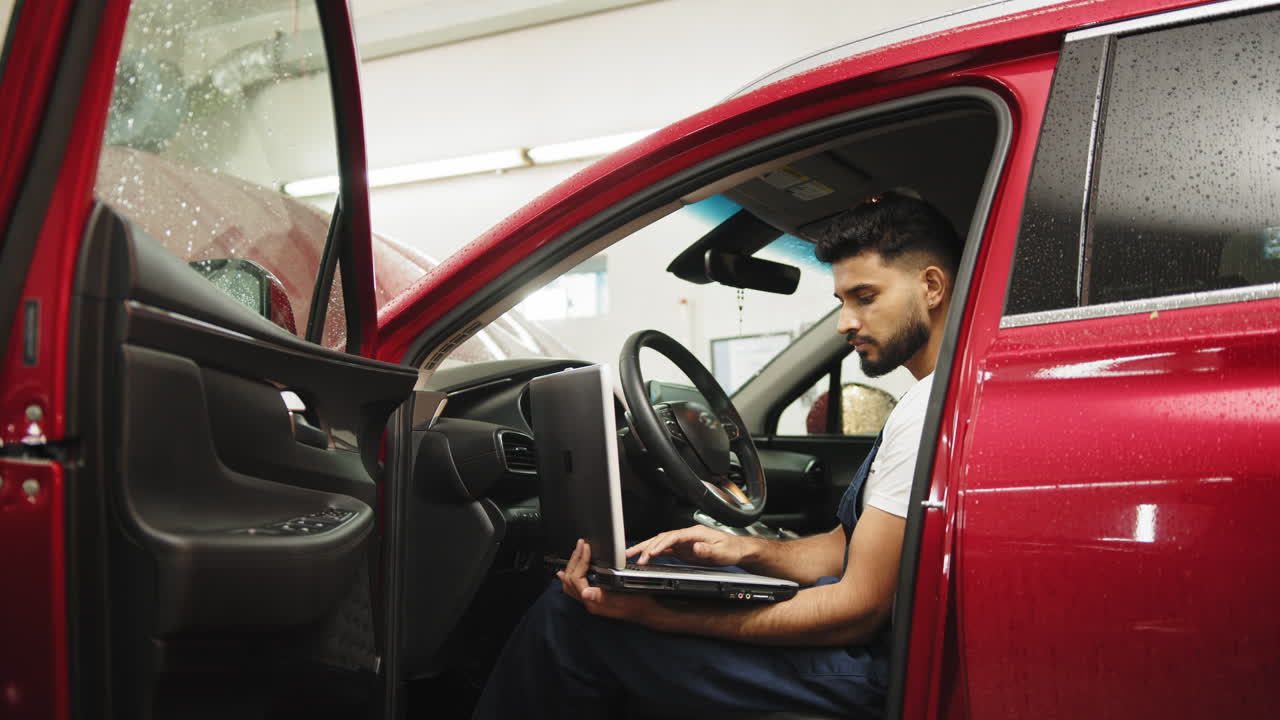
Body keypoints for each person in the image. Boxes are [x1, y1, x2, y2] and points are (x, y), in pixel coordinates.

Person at [473, 192, 962, 719]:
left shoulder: (928, 409)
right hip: (870, 649)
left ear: (931, 286)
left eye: (864, 296)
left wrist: (661, 616)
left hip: (869, 672)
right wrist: (740, 552)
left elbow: (854, 612)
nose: (845, 322)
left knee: (574, 620)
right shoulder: (930, 399)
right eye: (842, 301)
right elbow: (844, 550)